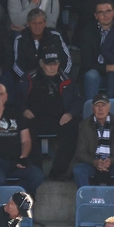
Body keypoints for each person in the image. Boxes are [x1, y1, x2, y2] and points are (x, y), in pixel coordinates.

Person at [0, 83, 43, 194]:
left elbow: (26, 140)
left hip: (14, 162)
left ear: (6, 97)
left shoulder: (16, 113)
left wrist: (23, 157)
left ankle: (14, 199)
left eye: (1, 94)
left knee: (37, 175)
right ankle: (8, 201)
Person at [23, 49, 80, 181]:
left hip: (59, 119)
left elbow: (78, 101)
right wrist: (24, 110)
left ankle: (58, 171)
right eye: (49, 64)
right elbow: (18, 100)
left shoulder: (67, 79)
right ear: (41, 64)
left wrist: (70, 114)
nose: (53, 67)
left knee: (73, 127)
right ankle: (36, 169)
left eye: (55, 64)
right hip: (34, 119)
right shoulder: (28, 78)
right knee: (24, 127)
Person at [72, 93, 114, 200]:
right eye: (97, 106)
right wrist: (94, 162)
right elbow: (80, 152)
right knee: (78, 170)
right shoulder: (84, 125)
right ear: (92, 108)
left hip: (113, 163)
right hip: (92, 163)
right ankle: (86, 203)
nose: (100, 109)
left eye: (103, 105)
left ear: (109, 107)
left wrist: (111, 160)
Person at [12, 8, 70, 80]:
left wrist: (60, 77)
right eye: (34, 23)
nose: (37, 27)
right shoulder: (20, 39)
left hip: (56, 79)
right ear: (28, 24)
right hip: (30, 82)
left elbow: (67, 60)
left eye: (40, 23)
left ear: (45, 23)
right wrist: (29, 80)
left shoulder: (55, 36)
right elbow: (17, 65)